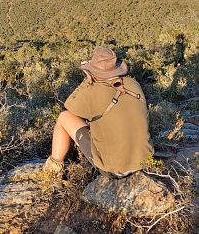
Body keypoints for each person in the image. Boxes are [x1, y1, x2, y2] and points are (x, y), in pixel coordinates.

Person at [43, 46, 154, 179]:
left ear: (93, 71)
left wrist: (87, 80)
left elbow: (69, 106)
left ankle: (52, 170)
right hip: (145, 162)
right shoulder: (133, 83)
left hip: (114, 169)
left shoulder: (92, 92)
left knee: (63, 118)